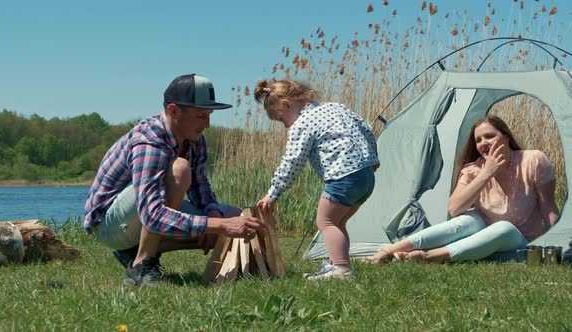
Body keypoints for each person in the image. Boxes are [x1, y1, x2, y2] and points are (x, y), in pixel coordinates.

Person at [83, 74, 266, 286]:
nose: (207, 124)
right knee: (180, 170)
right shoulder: (149, 140)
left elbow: (200, 188)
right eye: (200, 116)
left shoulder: (194, 140)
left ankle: (133, 251)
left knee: (236, 217)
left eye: (209, 115)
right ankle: (142, 265)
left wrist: (213, 213)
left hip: (141, 217)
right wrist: (219, 225)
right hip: (111, 224)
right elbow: (151, 215)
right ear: (173, 111)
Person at [362, 115, 559, 264]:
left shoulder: (533, 160)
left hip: (520, 237)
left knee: (503, 228)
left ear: (506, 138)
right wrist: (486, 173)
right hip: (485, 226)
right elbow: (454, 209)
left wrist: (559, 242)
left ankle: (428, 256)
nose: (483, 143)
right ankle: (387, 252)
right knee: (465, 221)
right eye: (479, 140)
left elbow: (548, 208)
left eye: (489, 136)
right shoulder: (474, 169)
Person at [253, 79, 380, 280]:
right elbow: (366, 128)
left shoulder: (303, 123)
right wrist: (373, 156)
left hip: (343, 176)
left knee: (326, 221)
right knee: (338, 222)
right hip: (366, 174)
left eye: (282, 119)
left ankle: (341, 269)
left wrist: (273, 193)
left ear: (286, 104)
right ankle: (336, 264)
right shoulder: (335, 107)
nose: (285, 126)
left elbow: (292, 162)